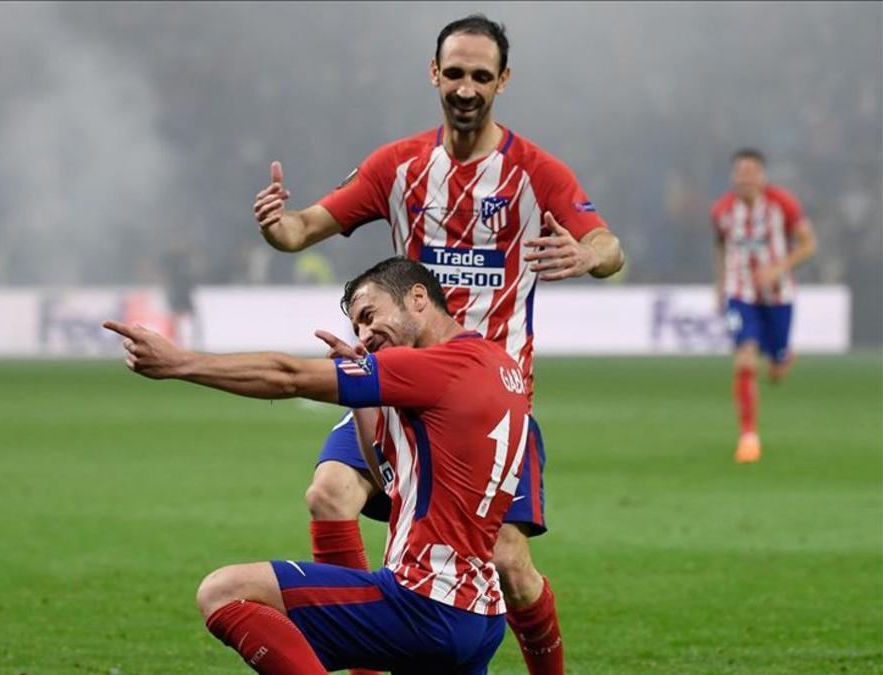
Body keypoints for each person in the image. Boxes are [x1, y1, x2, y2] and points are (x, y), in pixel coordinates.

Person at [250, 14, 625, 675]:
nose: (466, 87)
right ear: (434, 74)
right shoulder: (398, 167)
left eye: (482, 75)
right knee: (328, 491)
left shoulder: (534, 173)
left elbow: (609, 245)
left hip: (487, 406)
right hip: (401, 389)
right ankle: (367, 661)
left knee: (508, 562)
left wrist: (587, 254)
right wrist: (278, 227)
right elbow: (304, 225)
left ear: (502, 81)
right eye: (455, 73)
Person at [104, 258, 531, 674]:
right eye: (357, 326)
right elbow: (388, 477)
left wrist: (182, 363)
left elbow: (287, 375)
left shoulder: (438, 367)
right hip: (479, 613)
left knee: (224, 591)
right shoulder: (500, 366)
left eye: (370, 314)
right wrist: (366, 399)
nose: (365, 333)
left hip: (423, 602)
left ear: (418, 297)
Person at [711, 148, 817, 463]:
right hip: (740, 293)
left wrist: (778, 268)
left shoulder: (782, 204)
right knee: (744, 359)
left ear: (762, 176)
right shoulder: (722, 211)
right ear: (733, 177)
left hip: (778, 295)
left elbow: (809, 244)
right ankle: (748, 437)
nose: (745, 177)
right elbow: (720, 245)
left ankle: (783, 357)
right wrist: (720, 284)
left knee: (775, 371)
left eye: (751, 171)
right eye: (740, 171)